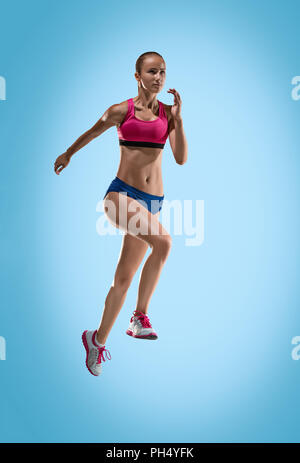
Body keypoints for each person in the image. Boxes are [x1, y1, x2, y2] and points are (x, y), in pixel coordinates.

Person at [53, 51, 188, 376]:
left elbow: (181, 158)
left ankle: (96, 342)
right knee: (165, 243)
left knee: (123, 279)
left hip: (153, 202)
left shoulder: (170, 114)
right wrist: (69, 153)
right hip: (121, 196)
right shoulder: (121, 110)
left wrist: (179, 122)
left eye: (163, 72)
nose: (159, 77)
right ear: (138, 76)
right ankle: (139, 317)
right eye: (152, 71)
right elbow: (93, 131)